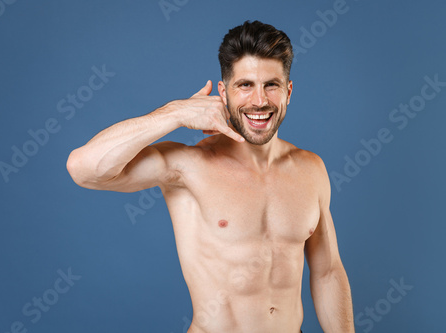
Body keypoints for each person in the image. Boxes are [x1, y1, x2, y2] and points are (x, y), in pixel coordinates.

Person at [66, 20, 355, 333]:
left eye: (271, 85)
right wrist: (175, 112)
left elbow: (328, 271)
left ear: (288, 91)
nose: (259, 100)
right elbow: (83, 168)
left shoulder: (310, 168)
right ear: (223, 93)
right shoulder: (187, 166)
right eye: (245, 85)